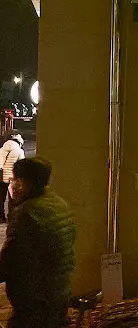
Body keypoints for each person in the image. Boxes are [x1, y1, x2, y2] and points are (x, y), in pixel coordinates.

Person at [0, 157, 76, 328]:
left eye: (15, 179)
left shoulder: (27, 213)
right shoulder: (59, 203)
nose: (12, 184)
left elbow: (10, 261)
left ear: (23, 182)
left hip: (35, 300)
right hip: (59, 291)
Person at [0, 132, 25, 222]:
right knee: (13, 199)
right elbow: (22, 165)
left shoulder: (2, 149)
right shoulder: (19, 151)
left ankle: (1, 217)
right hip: (12, 179)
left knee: (1, 198)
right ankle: (12, 216)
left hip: (1, 178)